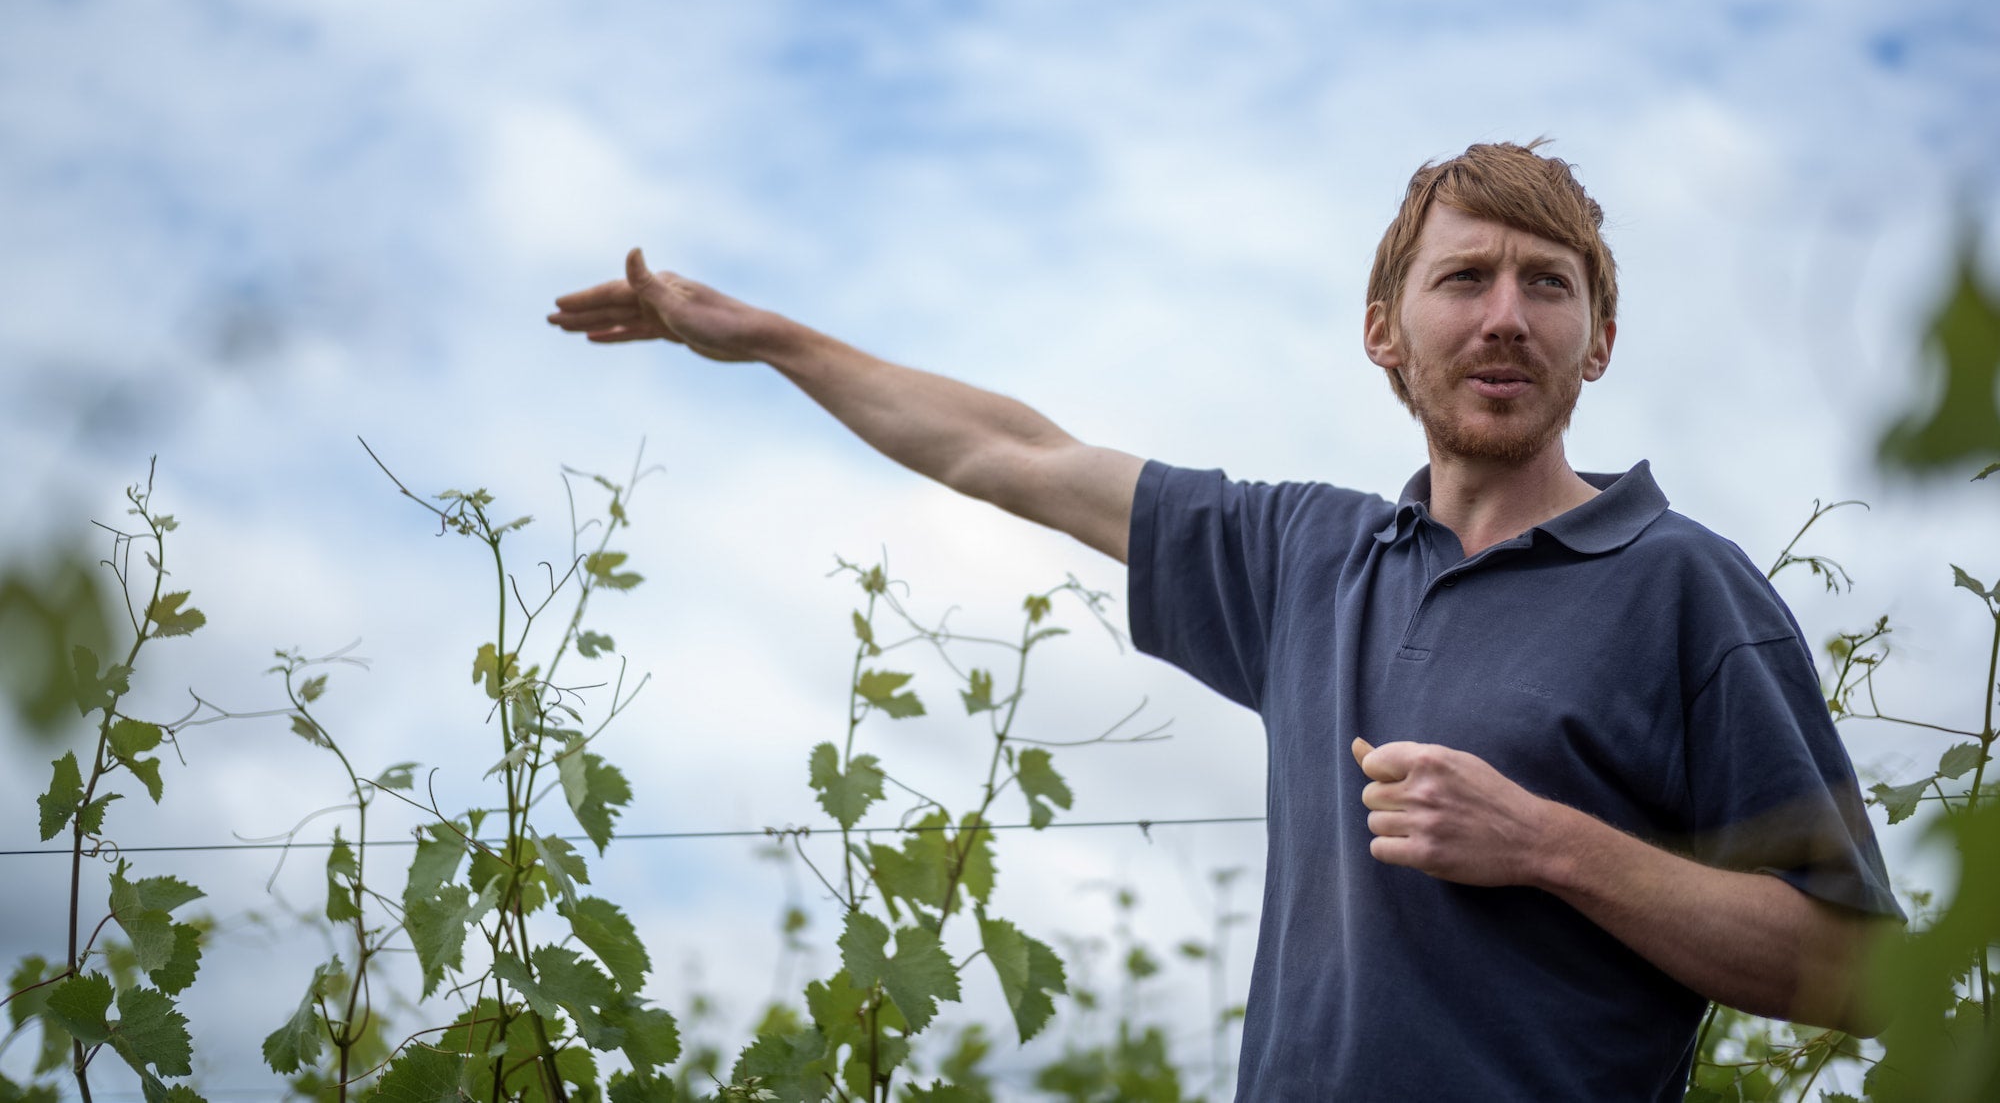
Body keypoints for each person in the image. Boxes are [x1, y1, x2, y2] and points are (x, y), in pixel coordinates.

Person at [548, 140, 1903, 1101]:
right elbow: (1011, 452)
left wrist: (1549, 844)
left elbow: (1856, 969)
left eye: (1548, 283)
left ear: (1597, 339)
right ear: (1384, 332)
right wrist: (773, 340)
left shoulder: (1684, 587)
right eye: (1465, 278)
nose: (1506, 317)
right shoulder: (1305, 556)